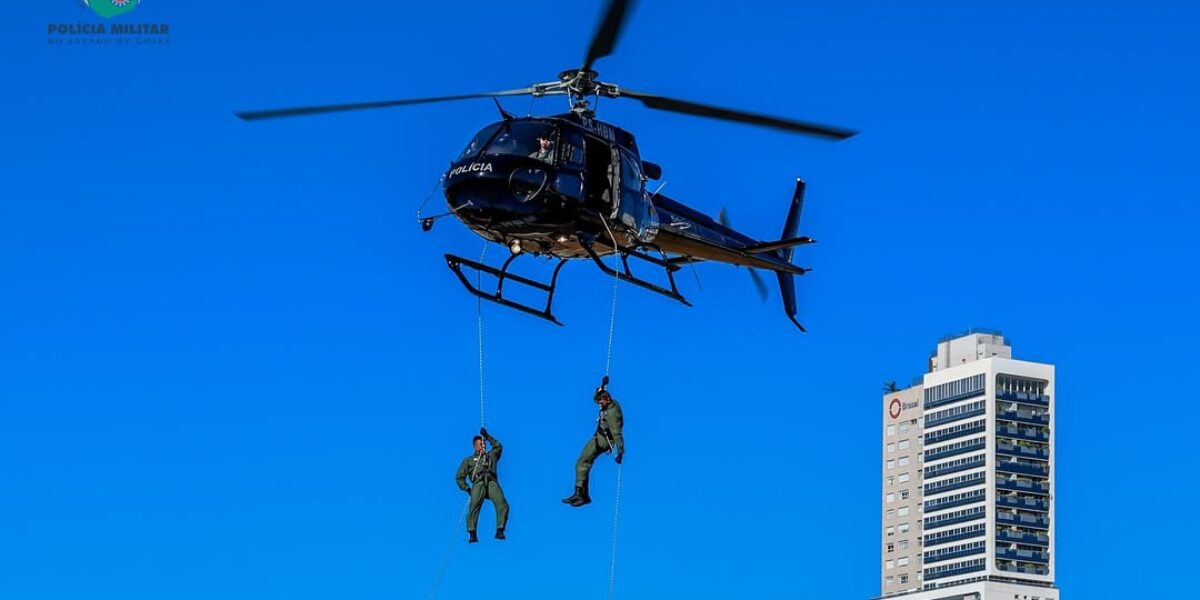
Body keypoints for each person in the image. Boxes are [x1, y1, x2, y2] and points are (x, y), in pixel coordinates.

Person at [562, 377, 624, 508]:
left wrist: (620, 452)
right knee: (583, 462)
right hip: (598, 437)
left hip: (603, 441)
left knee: (582, 462)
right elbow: (596, 397)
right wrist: (602, 384)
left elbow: (617, 433)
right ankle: (581, 494)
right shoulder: (607, 402)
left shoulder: (613, 414)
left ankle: (580, 494)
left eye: (601, 402)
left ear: (607, 400)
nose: (599, 404)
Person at [455, 427, 509, 542]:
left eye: (484, 444)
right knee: (474, 507)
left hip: (491, 482)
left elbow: (499, 446)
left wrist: (488, 436)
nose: (483, 446)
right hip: (478, 483)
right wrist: (467, 488)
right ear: (475, 446)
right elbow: (459, 477)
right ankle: (472, 533)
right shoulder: (469, 460)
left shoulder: (491, 455)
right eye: (480, 444)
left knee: (502, 503)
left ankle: (500, 530)